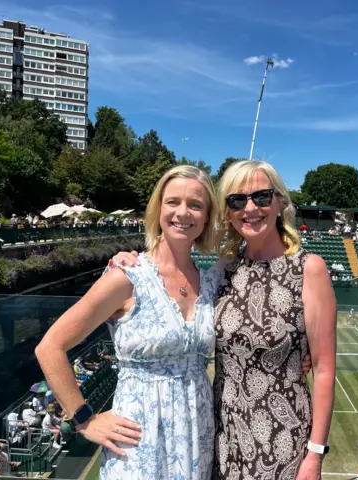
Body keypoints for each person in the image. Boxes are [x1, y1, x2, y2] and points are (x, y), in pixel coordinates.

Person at [108, 161, 331, 479]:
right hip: (220, 437)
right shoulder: (223, 271)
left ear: (281, 202)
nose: (250, 208)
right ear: (227, 212)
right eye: (237, 200)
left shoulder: (309, 269)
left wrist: (315, 455)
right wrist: (124, 260)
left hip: (282, 439)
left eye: (262, 197)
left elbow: (323, 369)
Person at [35, 166, 220, 479]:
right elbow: (50, 347)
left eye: (196, 205)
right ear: (158, 209)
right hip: (138, 438)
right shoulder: (126, 277)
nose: (183, 213)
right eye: (173, 201)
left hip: (197, 434)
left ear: (206, 218)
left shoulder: (211, 281)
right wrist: (84, 419)